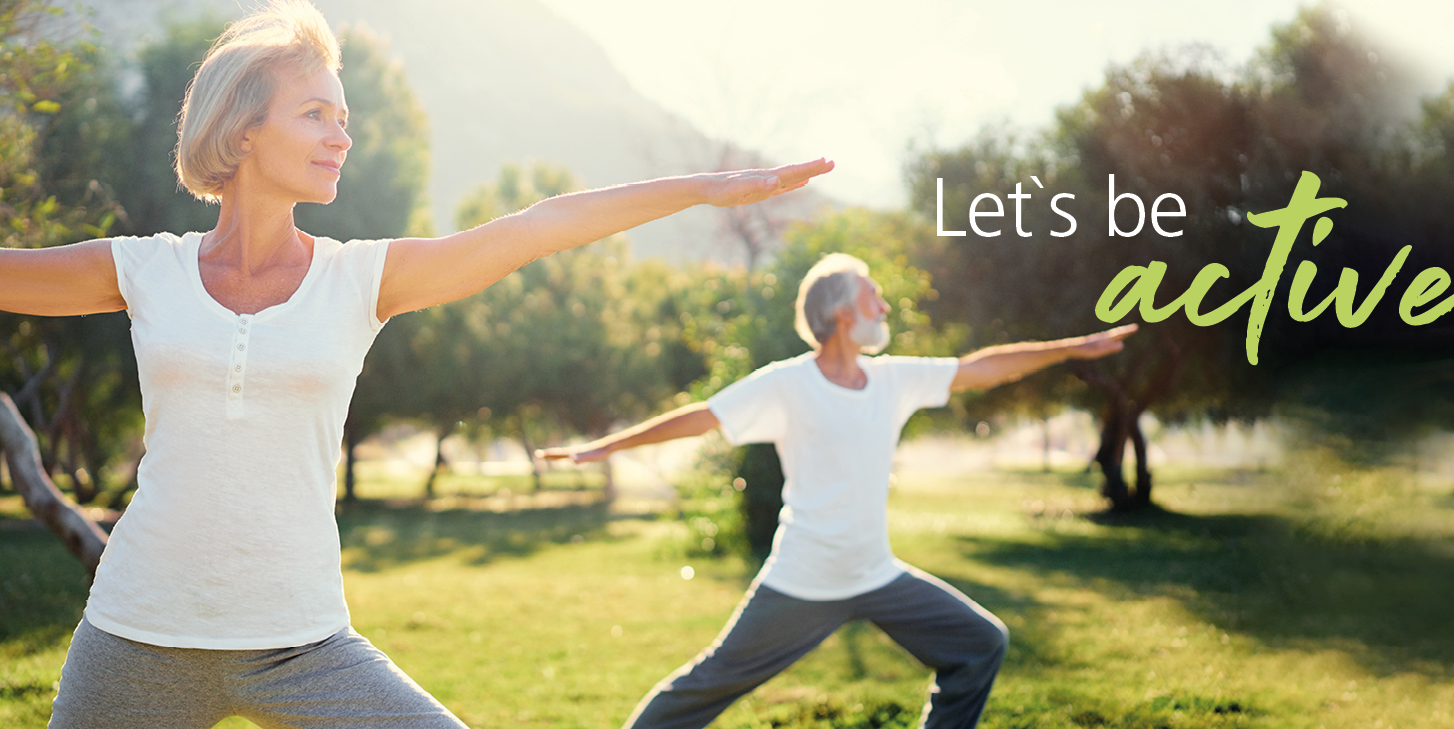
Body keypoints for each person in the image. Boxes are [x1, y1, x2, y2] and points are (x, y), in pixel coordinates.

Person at [0, 2, 832, 726]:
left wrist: (706, 185)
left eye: (345, 116)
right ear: (245, 127)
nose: (343, 135)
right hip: (138, 633)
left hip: (302, 641)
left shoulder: (360, 279)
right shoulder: (146, 269)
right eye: (316, 113)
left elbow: (537, 226)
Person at [538, 254, 1135, 729]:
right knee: (705, 686)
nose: (885, 302)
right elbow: (703, 416)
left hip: (876, 574)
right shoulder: (789, 384)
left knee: (980, 645)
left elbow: (981, 368)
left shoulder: (892, 379)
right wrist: (605, 448)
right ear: (845, 313)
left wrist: (1070, 349)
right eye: (872, 293)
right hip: (803, 580)